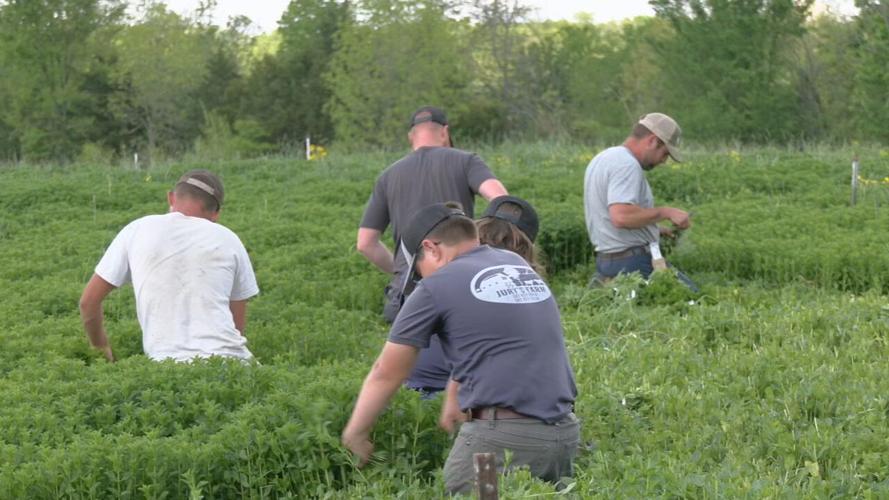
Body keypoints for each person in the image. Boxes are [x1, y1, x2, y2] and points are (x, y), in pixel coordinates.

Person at [342, 203, 579, 495]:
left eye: (418, 270)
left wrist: (356, 432)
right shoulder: (512, 263)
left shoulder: (435, 285)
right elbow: (490, 337)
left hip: (499, 444)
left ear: (431, 248)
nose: (421, 279)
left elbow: (386, 372)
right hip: (563, 435)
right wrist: (455, 389)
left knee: (473, 493)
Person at [79, 169, 259, 363]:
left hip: (169, 367)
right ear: (216, 214)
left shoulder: (137, 229)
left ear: (171, 198)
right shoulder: (229, 239)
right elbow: (237, 327)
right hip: (235, 364)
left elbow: (88, 302)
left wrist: (100, 347)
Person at [357, 106, 508, 322]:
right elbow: (501, 202)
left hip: (408, 296)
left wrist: (402, 269)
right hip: (463, 285)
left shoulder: (388, 176)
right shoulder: (466, 161)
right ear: (445, 132)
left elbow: (365, 243)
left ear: (412, 136)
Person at [404, 195, 542, 397]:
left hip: (414, 387)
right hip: (463, 395)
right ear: (527, 248)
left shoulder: (450, 264)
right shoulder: (522, 283)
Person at [583, 112, 692, 284]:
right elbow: (621, 217)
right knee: (693, 303)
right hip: (632, 263)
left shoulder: (604, 158)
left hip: (608, 261)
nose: (663, 161)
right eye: (664, 153)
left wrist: (654, 228)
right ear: (652, 141)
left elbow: (610, 216)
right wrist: (666, 212)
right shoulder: (626, 164)